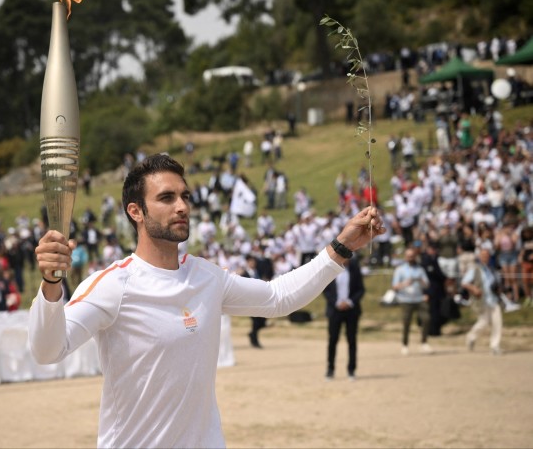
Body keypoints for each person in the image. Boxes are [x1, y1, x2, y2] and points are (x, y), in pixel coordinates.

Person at [29, 154, 385, 448]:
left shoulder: (207, 277)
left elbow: (279, 298)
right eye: (167, 198)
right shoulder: (113, 285)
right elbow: (48, 351)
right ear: (136, 211)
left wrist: (340, 249)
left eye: (185, 196)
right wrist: (50, 284)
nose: (182, 206)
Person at [323, 255, 364, 381]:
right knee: (333, 340)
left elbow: (361, 289)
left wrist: (350, 302)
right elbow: (326, 290)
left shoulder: (355, 269)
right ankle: (330, 369)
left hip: (351, 310)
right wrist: (336, 302)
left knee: (351, 340)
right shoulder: (331, 271)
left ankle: (351, 370)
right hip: (335, 311)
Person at [460, 248, 504, 354]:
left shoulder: (492, 269)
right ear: (479, 257)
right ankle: (471, 337)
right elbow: (464, 282)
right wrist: (474, 289)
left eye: (487, 255)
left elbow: (497, 283)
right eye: (483, 255)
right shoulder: (475, 269)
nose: (485, 257)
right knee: (484, 322)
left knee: (497, 322)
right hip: (482, 300)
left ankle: (495, 345)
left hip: (493, 299)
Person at [392, 247, 432, 355]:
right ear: (405, 257)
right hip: (405, 299)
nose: (410, 258)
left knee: (426, 319)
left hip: (419, 298)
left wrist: (420, 280)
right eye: (408, 256)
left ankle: (424, 342)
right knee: (406, 323)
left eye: (412, 256)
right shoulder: (400, 269)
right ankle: (405, 345)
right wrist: (405, 283)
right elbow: (394, 286)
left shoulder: (420, 269)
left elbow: (427, 284)